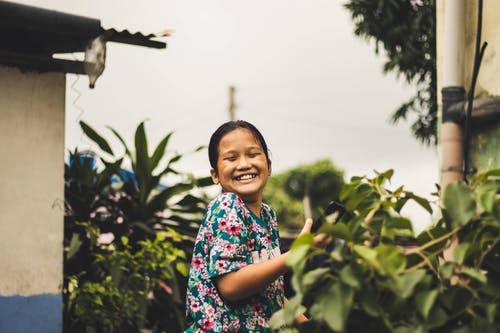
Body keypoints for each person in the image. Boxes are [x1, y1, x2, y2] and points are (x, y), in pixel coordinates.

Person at [184, 120, 326, 332]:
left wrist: (306, 323)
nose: (243, 164)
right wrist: (295, 254)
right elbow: (231, 285)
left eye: (252, 154)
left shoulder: (267, 215)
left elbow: (269, 290)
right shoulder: (228, 206)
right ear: (215, 174)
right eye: (231, 158)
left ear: (268, 166)